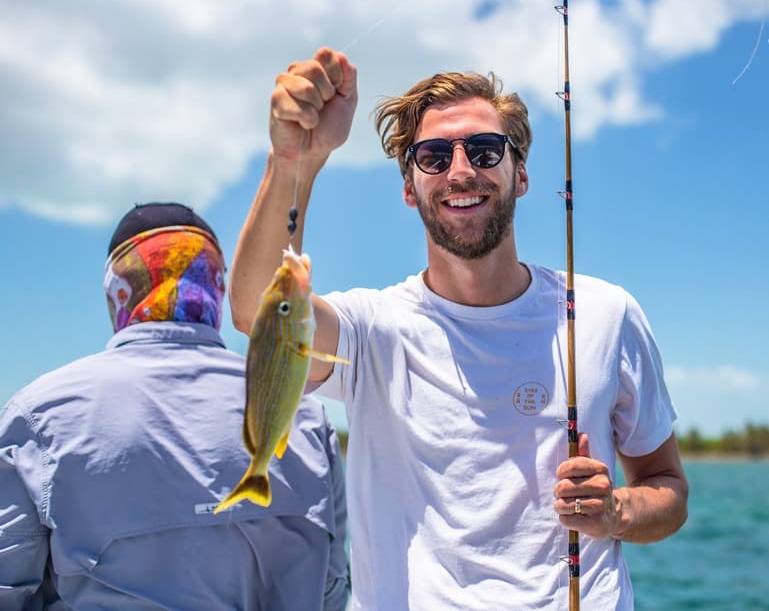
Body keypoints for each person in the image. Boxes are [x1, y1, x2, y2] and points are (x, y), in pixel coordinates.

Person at [230, 48, 688, 610]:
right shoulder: (374, 328)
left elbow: (667, 487)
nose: (461, 170)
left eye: (484, 149)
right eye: (433, 156)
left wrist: (616, 512)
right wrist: (294, 157)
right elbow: (258, 312)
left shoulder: (606, 312)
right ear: (408, 188)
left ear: (520, 174)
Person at [0, 202, 349, 611]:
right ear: (217, 287)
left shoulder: (37, 414)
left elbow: (9, 589)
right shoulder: (307, 414)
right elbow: (332, 588)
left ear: (118, 293)